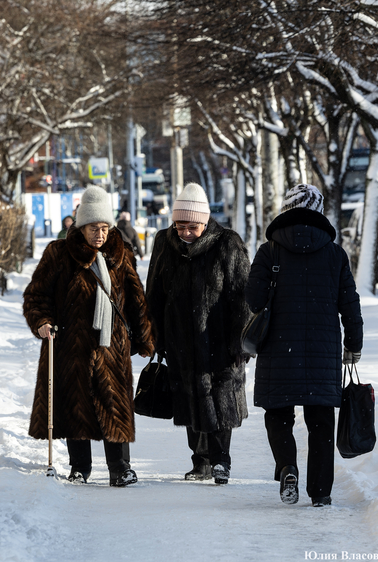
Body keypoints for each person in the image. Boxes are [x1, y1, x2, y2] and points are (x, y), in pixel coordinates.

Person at [23, 185, 154, 487]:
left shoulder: (120, 254)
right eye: (94, 227)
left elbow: (136, 298)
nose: (100, 233)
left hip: (112, 344)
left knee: (113, 405)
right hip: (72, 342)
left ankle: (120, 467)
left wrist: (145, 336)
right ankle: (80, 467)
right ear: (82, 227)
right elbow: (36, 295)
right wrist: (42, 321)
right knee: (76, 405)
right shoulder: (59, 253)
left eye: (105, 227)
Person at [245, 184, 363, 507]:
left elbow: (253, 300)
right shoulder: (336, 255)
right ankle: (321, 492)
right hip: (322, 354)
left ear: (286, 209)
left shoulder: (269, 251)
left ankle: (287, 466)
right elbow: (350, 305)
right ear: (319, 212)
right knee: (321, 421)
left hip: (278, 350)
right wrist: (354, 344)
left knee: (278, 415)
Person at [145, 183, 251, 485]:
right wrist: (153, 334)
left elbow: (242, 295)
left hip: (219, 338)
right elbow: (154, 291)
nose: (185, 233)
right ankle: (200, 461)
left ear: (205, 222)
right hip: (179, 337)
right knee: (190, 401)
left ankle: (221, 461)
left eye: (192, 226)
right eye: (180, 226)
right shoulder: (164, 242)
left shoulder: (227, 243)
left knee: (220, 401)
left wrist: (239, 340)